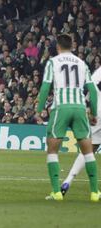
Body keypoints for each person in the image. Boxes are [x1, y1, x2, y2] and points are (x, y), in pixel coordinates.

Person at [37, 34, 99, 202]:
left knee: (52, 150)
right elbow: (92, 91)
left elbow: (45, 88)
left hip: (61, 108)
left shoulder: (53, 62)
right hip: (79, 108)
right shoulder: (82, 63)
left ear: (58, 46)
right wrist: (93, 113)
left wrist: (39, 109)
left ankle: (56, 192)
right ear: (73, 46)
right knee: (88, 151)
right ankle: (94, 192)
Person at [60, 66, 101, 196]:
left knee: (88, 150)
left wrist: (89, 109)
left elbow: (88, 88)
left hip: (98, 112)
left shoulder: (99, 72)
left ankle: (68, 181)